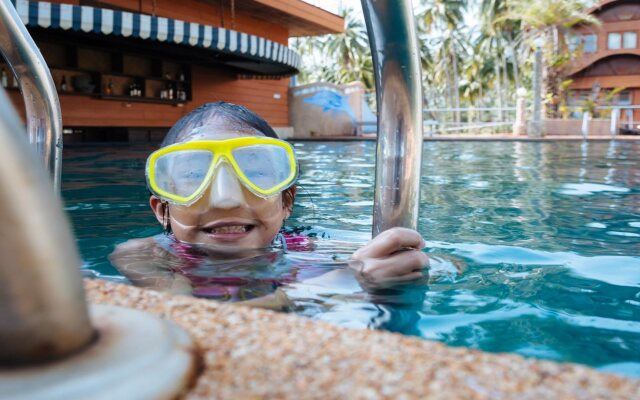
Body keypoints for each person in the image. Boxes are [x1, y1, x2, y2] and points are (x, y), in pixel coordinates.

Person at [110, 102, 429, 309]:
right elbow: (192, 322)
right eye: (194, 175)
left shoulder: (307, 246)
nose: (226, 199)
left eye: (254, 171)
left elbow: (431, 263)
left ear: (286, 201)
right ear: (162, 210)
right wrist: (337, 283)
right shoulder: (145, 255)